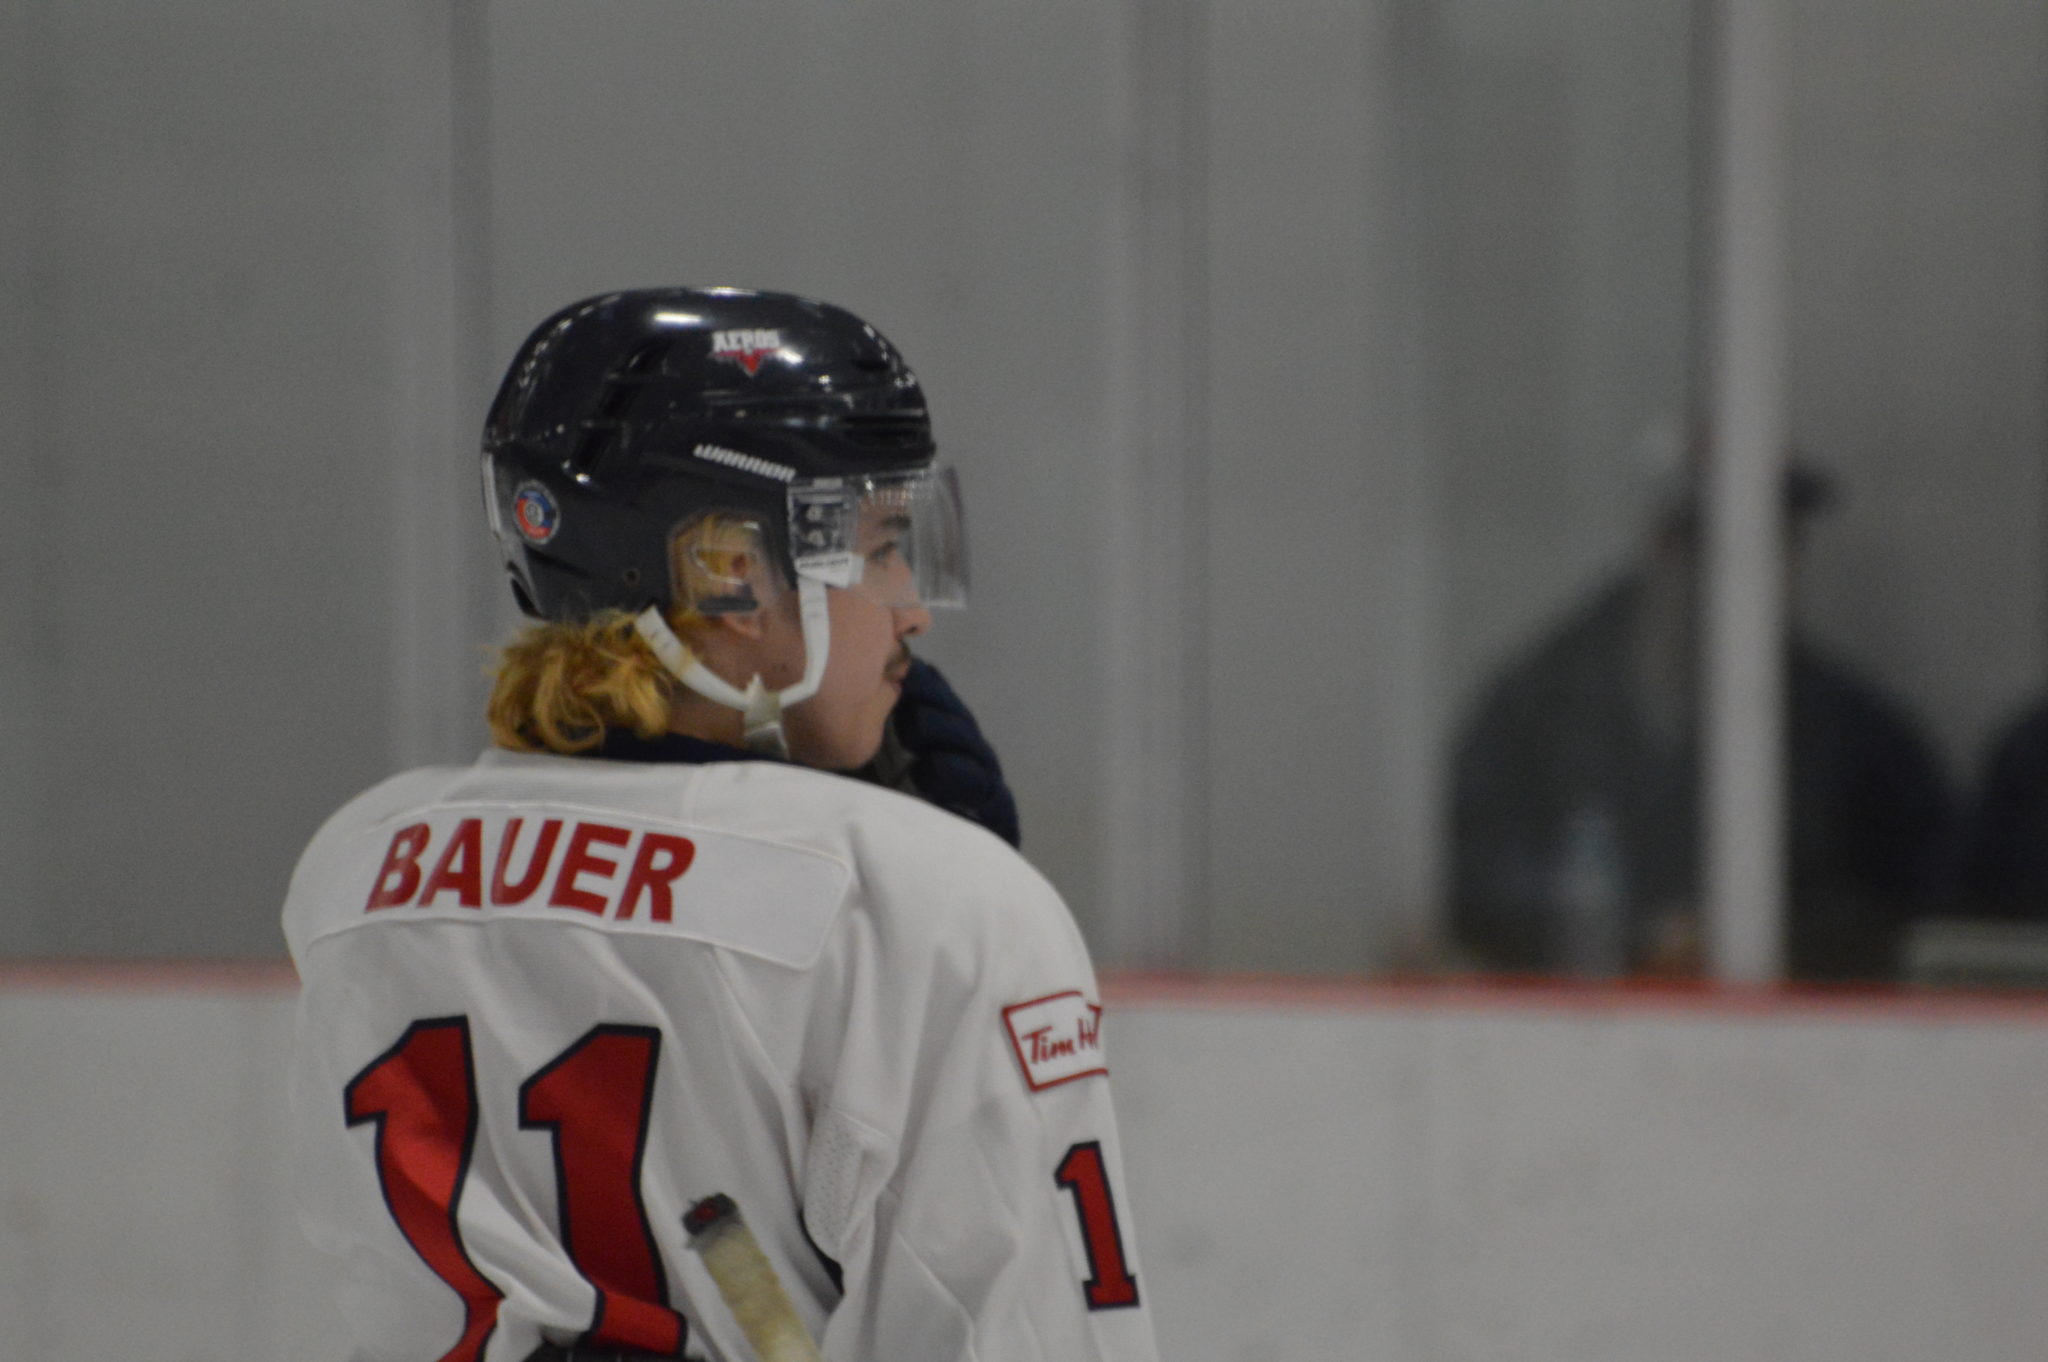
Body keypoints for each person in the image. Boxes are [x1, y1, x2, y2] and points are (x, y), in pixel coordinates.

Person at [282, 287, 1156, 1362]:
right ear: (729, 570)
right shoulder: (923, 902)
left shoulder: (361, 869)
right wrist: (949, 902)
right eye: (883, 546)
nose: (913, 609)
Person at [1449, 460, 1954, 981]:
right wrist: (1636, 937)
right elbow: (1476, 884)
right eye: (1721, 545)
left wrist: (1774, 936)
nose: (1759, 573)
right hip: (1572, 1015)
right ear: (1665, 548)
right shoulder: (1543, 703)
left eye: (1781, 544)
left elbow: (1911, 907)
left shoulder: (1850, 729)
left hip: (1782, 1019)